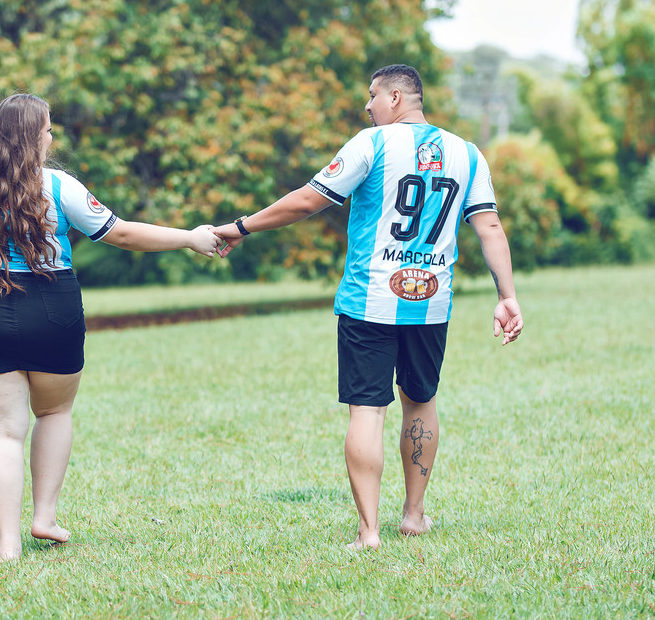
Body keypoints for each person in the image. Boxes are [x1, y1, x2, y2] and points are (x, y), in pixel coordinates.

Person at [212, 64, 523, 551]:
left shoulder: (371, 143)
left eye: (373, 96)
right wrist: (507, 295)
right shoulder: (468, 153)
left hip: (368, 300)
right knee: (420, 401)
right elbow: (490, 228)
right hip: (430, 303)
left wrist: (242, 226)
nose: (368, 106)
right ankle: (414, 516)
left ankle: (369, 532)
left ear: (396, 97)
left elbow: (308, 201)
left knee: (367, 410)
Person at [0, 93, 220, 562]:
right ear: (34, 137)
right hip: (51, 305)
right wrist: (189, 238)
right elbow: (120, 233)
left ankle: (8, 546)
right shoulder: (59, 186)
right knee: (53, 412)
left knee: (2, 432)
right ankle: (44, 518)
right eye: (48, 129)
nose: (51, 136)